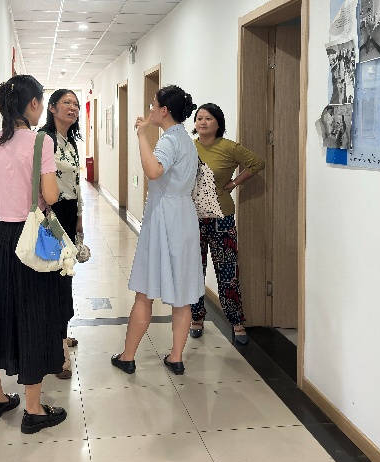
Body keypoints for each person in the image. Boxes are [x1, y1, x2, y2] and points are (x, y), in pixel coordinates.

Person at [0, 74, 68, 434]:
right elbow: (51, 195)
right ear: (33, 103)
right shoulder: (41, 141)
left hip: (2, 238)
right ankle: (33, 409)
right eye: (41, 102)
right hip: (30, 238)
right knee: (33, 315)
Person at [111, 85, 202, 376]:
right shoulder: (186, 139)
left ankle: (127, 356)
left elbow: (153, 171)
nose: (150, 110)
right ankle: (176, 357)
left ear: (164, 110)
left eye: (153, 105)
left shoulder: (169, 140)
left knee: (145, 292)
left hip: (164, 217)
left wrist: (141, 135)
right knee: (182, 294)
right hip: (184, 216)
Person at [189, 103, 265, 345]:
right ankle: (196, 318)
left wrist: (233, 184)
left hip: (222, 219)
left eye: (208, 118)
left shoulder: (229, 147)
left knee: (227, 271)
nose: (202, 122)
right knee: (194, 271)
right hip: (191, 218)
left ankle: (236, 321)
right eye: (199, 118)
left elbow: (257, 163)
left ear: (218, 123)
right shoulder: (188, 148)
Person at [38, 89, 83, 380]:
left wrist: (79, 217)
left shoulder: (71, 141)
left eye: (76, 104)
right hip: (50, 216)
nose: (72, 107)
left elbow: (76, 182)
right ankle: (57, 349)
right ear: (52, 107)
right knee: (54, 279)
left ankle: (61, 334)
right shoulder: (44, 139)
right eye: (66, 102)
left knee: (64, 276)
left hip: (67, 214)